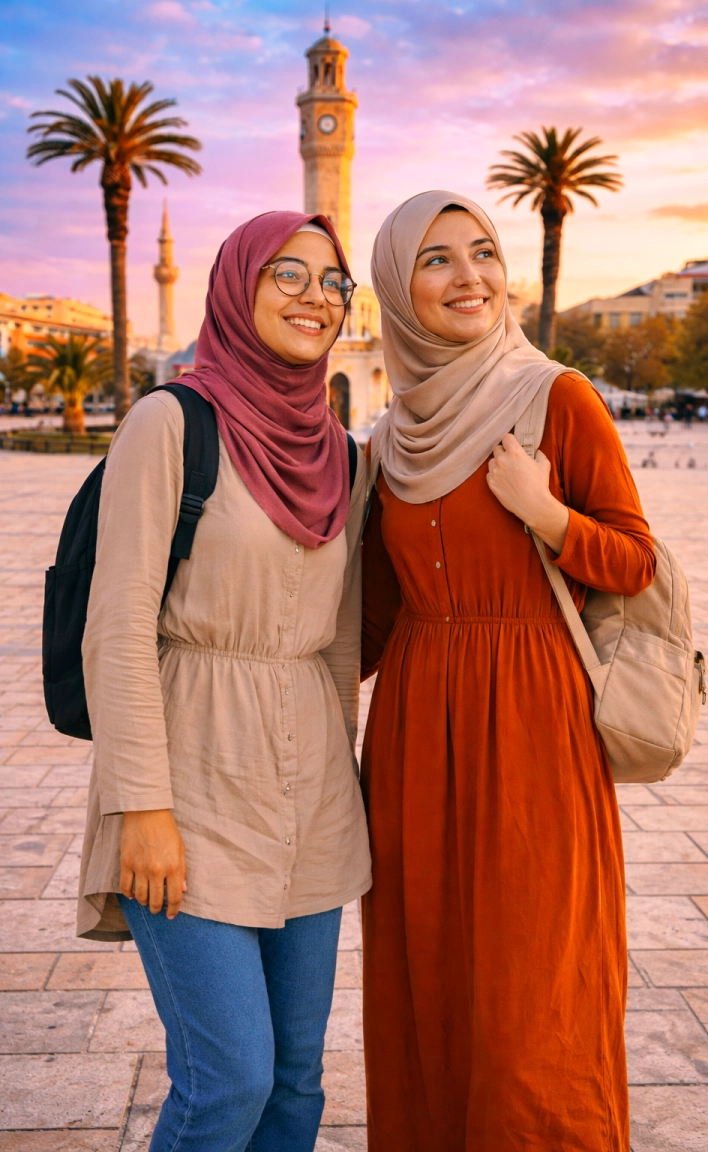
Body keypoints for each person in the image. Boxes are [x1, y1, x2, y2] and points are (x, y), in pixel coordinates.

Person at [360, 191, 656, 1152]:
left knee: (535, 1001)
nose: (469, 276)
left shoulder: (556, 395)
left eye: (483, 252)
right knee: (430, 982)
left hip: (535, 732)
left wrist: (548, 514)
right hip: (413, 739)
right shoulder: (390, 436)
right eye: (437, 259)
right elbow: (370, 617)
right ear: (399, 287)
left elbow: (635, 559)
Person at [76, 212, 371, 1151]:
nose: (315, 298)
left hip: (311, 798)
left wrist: (350, 790)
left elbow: (336, 644)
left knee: (295, 1087)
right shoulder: (173, 422)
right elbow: (115, 624)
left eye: (333, 282)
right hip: (191, 788)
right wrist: (141, 807)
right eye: (289, 274)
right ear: (236, 284)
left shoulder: (343, 456)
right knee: (227, 1082)